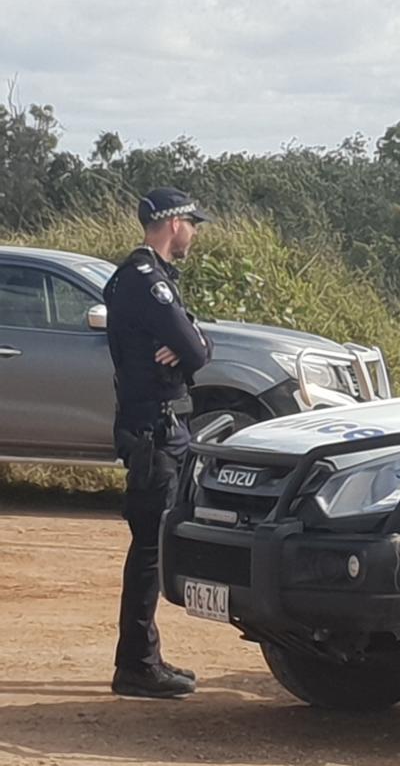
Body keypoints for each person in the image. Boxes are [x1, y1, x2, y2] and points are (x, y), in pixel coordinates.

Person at [103, 187, 213, 698]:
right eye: (191, 223)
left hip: (160, 428)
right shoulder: (147, 281)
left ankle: (143, 658)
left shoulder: (149, 278)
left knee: (152, 547)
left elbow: (193, 346)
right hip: (153, 432)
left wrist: (190, 341)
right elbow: (195, 350)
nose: (193, 232)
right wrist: (189, 340)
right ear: (172, 224)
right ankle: (137, 666)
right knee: (149, 550)